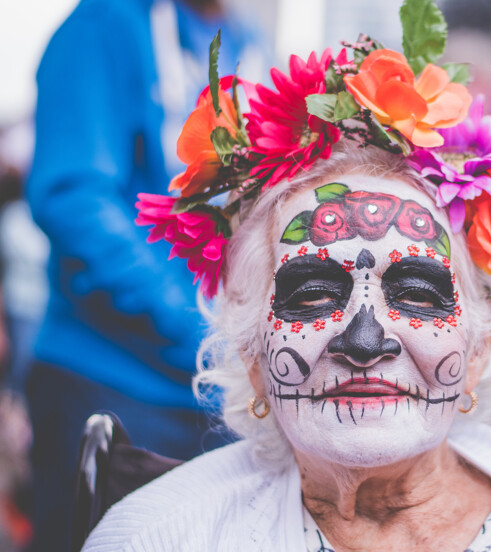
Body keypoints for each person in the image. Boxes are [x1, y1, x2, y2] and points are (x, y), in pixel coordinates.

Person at [80, 4, 491, 549]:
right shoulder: (156, 539)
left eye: (419, 293)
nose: (366, 341)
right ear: (251, 349)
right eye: (313, 291)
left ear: (478, 349)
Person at [24, 0, 267, 549]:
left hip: (216, 396)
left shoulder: (249, 44)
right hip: (109, 383)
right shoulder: (105, 25)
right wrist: (206, 336)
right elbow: (74, 200)